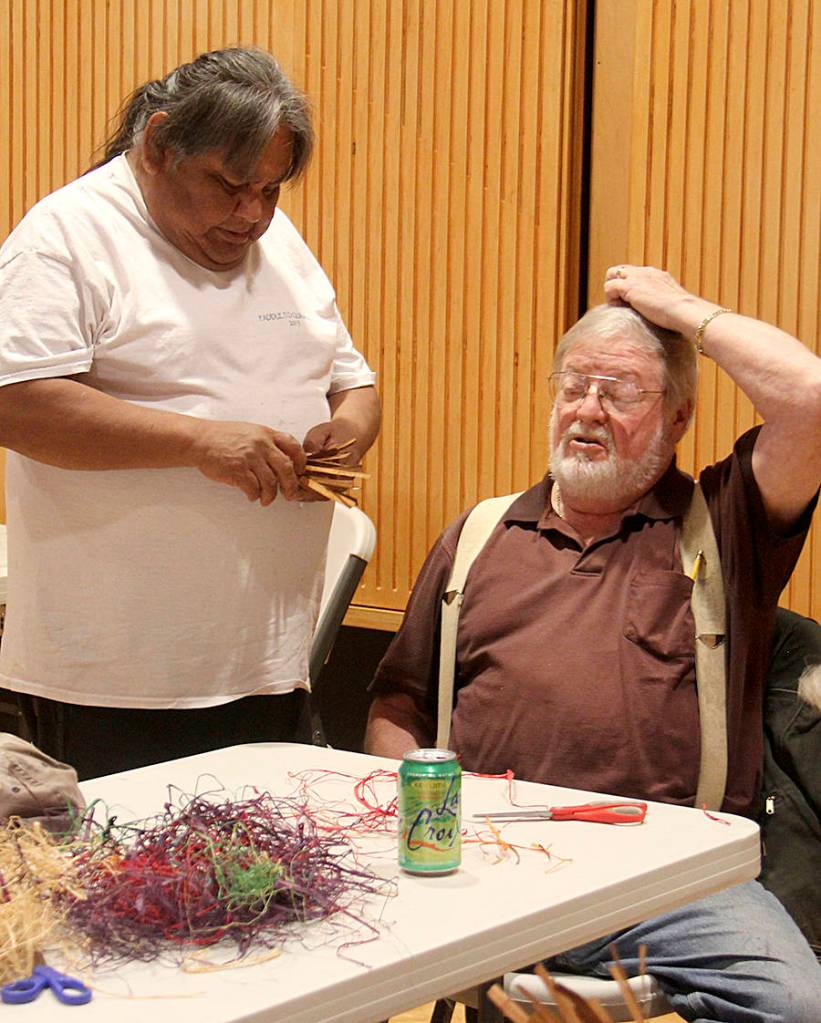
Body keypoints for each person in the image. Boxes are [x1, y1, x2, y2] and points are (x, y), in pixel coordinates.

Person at [365, 265, 821, 1021]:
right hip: (483, 867)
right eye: (573, 385)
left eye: (621, 393)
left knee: (797, 1003)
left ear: (678, 417)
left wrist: (679, 309)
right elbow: (401, 698)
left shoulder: (724, 524)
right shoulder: (479, 535)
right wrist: (412, 819)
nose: (587, 410)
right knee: (321, 970)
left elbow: (809, 399)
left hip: (669, 879)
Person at [0, 47, 380, 780]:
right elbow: (16, 403)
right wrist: (201, 441)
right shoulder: (68, 238)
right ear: (158, 145)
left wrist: (349, 433)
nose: (254, 215)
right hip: (116, 684)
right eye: (231, 185)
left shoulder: (277, 242)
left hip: (268, 666)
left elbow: (354, 383)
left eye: (271, 190)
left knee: (269, 889)